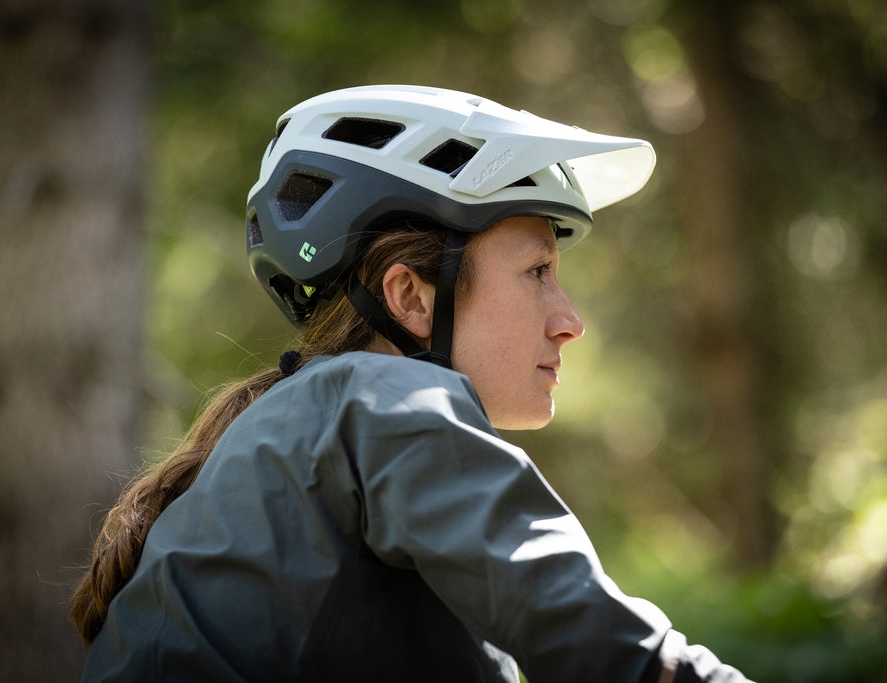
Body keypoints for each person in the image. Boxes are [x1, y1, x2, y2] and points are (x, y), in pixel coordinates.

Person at [71, 85, 752, 682]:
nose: (569, 320)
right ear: (413, 297)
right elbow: (604, 645)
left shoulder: (292, 437)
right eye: (538, 272)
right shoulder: (379, 400)